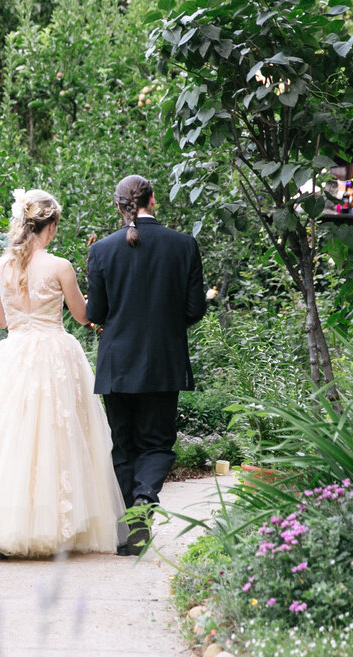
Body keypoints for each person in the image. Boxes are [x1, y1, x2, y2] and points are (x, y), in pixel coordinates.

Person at [0, 189, 126, 557]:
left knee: (5, 436)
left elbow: (0, 319)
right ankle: (44, 524)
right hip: (54, 353)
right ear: (52, 225)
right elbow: (83, 315)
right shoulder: (60, 266)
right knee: (51, 438)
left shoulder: (1, 266)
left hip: (12, 352)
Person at [85, 175, 206, 555]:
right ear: (153, 199)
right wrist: (165, 328)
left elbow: (95, 313)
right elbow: (195, 309)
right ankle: (143, 500)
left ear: (119, 206)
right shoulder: (184, 245)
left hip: (117, 363)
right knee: (157, 444)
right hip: (163, 362)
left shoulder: (102, 251)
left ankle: (130, 531)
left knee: (123, 446)